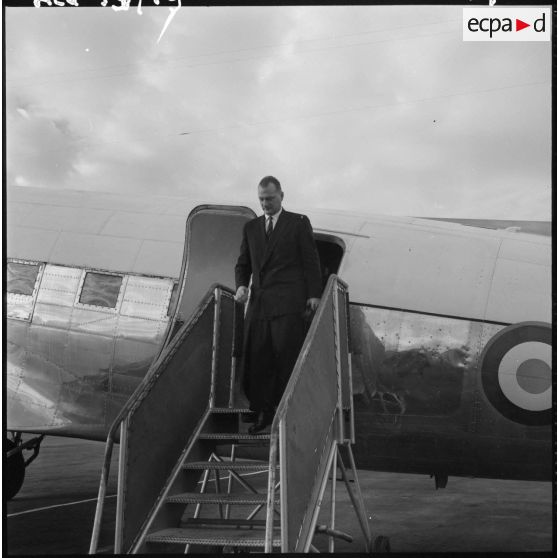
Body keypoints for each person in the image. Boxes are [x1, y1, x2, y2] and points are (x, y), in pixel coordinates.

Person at [235, 176, 322, 434]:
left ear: (281, 196)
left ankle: (279, 413)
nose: (265, 204)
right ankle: (260, 410)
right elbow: (243, 264)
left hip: (288, 305)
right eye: (261, 199)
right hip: (260, 305)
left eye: (270, 199)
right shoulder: (251, 228)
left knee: (283, 359)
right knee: (257, 358)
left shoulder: (298, 223)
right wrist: (241, 285)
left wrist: (314, 294)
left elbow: (310, 261)